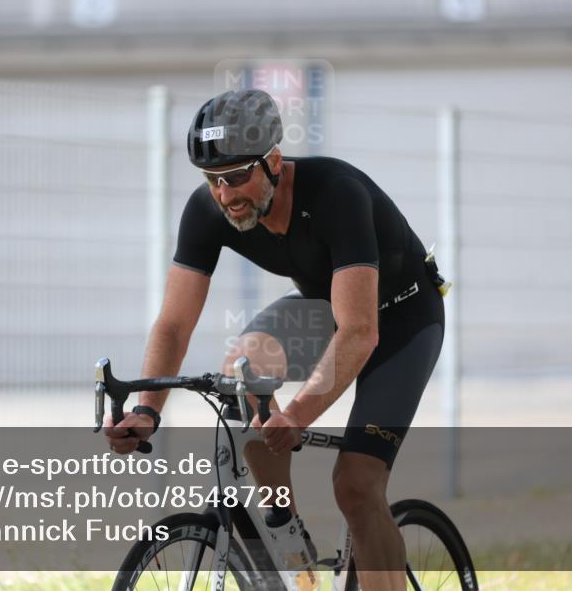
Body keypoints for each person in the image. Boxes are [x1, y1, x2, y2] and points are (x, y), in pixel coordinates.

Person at [104, 88, 445, 591]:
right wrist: (148, 409)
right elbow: (174, 323)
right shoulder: (208, 210)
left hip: (402, 323)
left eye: (238, 176)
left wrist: (297, 414)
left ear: (274, 162)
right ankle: (287, 537)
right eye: (213, 180)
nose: (226, 195)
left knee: (356, 486)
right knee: (243, 368)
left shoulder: (336, 193)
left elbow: (360, 331)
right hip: (331, 310)